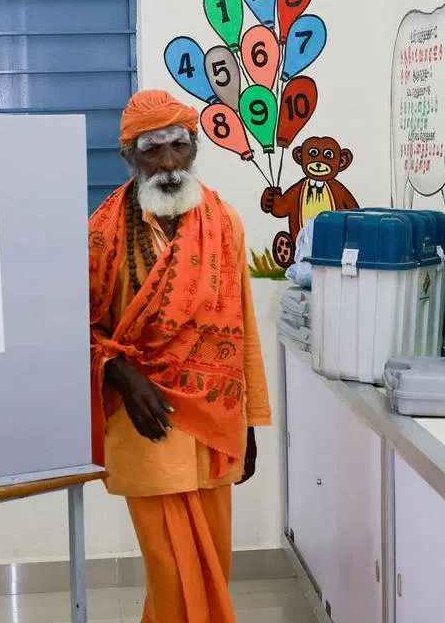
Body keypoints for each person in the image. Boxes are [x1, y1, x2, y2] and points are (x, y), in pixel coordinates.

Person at [88, 89, 272, 623]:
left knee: (212, 567)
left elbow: (244, 333)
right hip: (146, 425)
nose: (168, 164)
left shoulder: (224, 223)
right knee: (172, 575)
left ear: (194, 149)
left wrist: (250, 427)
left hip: (216, 428)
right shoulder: (101, 235)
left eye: (178, 147)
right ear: (130, 158)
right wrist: (120, 374)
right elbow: (79, 330)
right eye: (152, 151)